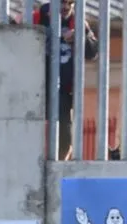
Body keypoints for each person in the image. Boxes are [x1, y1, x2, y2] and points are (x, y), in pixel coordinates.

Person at [34, 0, 99, 161]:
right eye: (62, 2)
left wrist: (81, 36)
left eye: (70, 3)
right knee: (30, 127)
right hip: (36, 86)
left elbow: (93, 53)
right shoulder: (38, 17)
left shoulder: (78, 22)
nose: (66, 7)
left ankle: (58, 165)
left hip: (63, 90)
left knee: (64, 133)